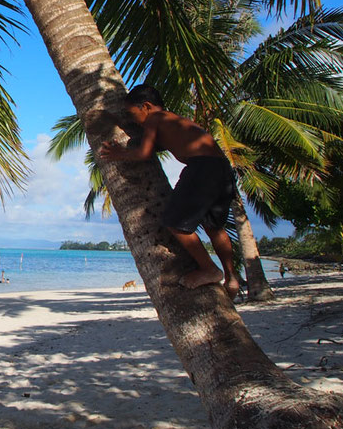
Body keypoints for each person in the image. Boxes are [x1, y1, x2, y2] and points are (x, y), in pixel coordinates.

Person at [98, 84, 241, 299]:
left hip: (202, 168)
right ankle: (232, 277)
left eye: (131, 113)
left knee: (176, 222)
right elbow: (161, 145)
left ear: (145, 106)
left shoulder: (155, 119)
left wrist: (119, 153)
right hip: (222, 169)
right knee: (214, 227)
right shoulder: (174, 120)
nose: (133, 118)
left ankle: (209, 269)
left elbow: (145, 153)